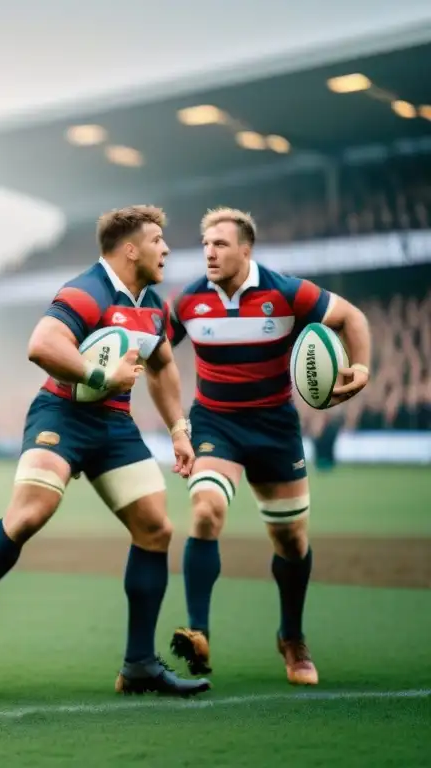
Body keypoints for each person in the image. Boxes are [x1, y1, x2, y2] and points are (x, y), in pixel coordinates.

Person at [0, 205, 210, 696]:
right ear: (129, 249)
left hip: (114, 425)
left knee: (156, 528)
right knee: (30, 514)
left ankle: (140, 665)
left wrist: (179, 430)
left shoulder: (152, 303)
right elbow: (41, 344)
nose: (166, 249)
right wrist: (100, 376)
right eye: (156, 241)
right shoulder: (87, 291)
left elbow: (164, 363)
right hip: (61, 415)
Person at [167, 207, 371, 686]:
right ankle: (198, 632)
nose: (210, 252)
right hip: (215, 422)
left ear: (246, 249)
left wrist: (360, 369)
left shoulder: (285, 291)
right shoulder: (188, 301)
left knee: (292, 541)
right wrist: (175, 421)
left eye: (220, 244)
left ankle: (292, 636)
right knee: (204, 511)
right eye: (205, 244)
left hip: (275, 428)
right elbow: (157, 355)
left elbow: (352, 317)